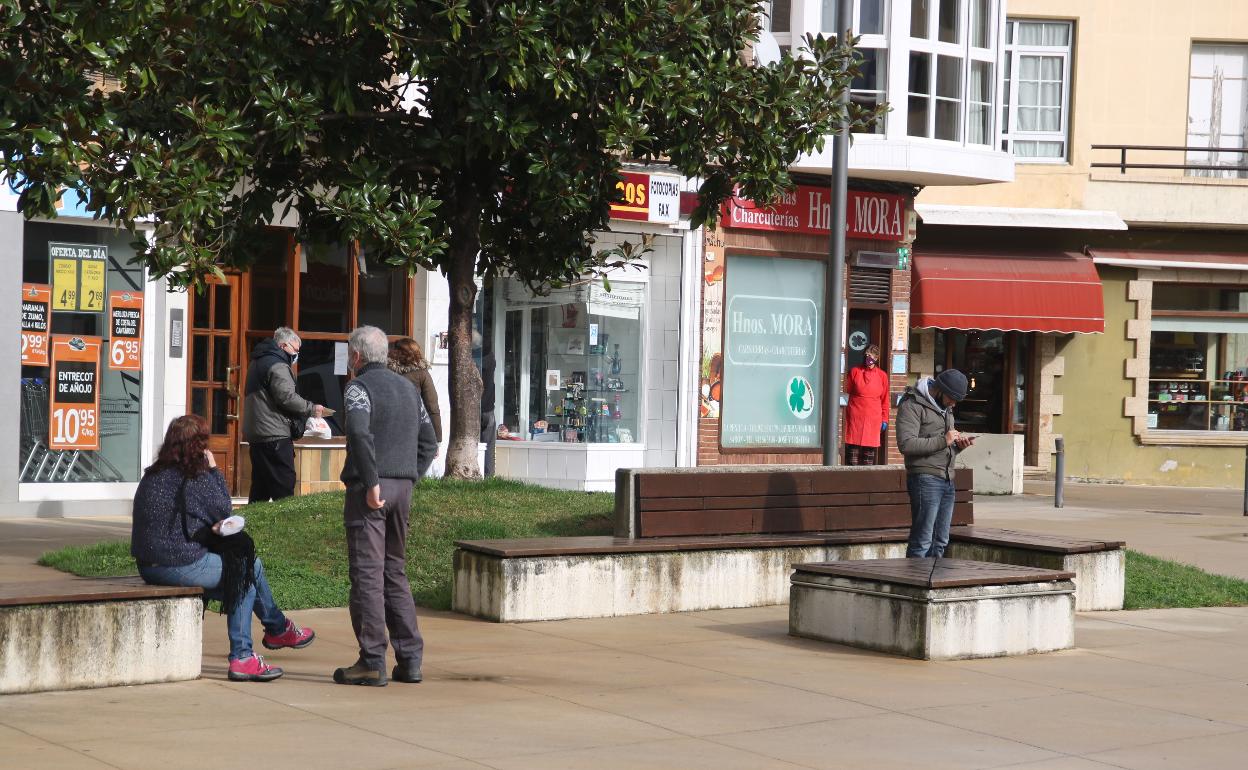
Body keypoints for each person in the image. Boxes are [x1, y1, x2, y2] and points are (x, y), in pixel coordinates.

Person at [131, 414, 315, 682]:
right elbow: (224, 510)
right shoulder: (194, 476)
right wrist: (215, 470)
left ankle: (277, 628)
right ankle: (244, 656)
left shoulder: (154, 475)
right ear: (200, 446)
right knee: (243, 577)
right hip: (178, 563)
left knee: (250, 567)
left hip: (150, 566)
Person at [334, 326, 438, 687]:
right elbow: (430, 441)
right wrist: (410, 478)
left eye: (350, 354)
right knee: (394, 571)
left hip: (370, 491)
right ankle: (410, 659)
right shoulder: (409, 389)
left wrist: (373, 480)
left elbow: (359, 433)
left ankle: (372, 660)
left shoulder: (358, 388)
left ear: (357, 357)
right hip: (402, 489)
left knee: (367, 573)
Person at [895, 369, 974, 559]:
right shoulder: (912, 405)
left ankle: (934, 582)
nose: (953, 404)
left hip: (947, 478)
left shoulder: (946, 408)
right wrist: (944, 440)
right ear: (939, 389)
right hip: (924, 478)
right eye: (951, 398)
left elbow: (944, 444)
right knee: (922, 540)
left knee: (940, 541)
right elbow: (906, 444)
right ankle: (914, 583)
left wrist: (958, 446)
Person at [242, 327, 324, 503]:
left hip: (258, 435)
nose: (296, 355)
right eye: (295, 350)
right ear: (283, 345)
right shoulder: (277, 364)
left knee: (259, 491)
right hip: (274, 436)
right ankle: (287, 529)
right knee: (284, 490)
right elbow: (287, 397)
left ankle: (254, 528)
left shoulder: (258, 361)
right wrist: (311, 408)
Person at [387, 337, 443, 446]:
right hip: (415, 431)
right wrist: (437, 440)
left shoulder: (386, 373)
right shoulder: (422, 374)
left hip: (389, 430)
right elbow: (432, 407)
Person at [844, 344, 890, 465]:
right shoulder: (855, 372)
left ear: (876, 358)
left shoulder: (882, 376)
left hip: (873, 418)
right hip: (855, 417)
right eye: (866, 355)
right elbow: (845, 394)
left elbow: (885, 400)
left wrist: (885, 419)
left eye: (870, 355)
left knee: (868, 457)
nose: (867, 358)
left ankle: (865, 482)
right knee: (852, 456)